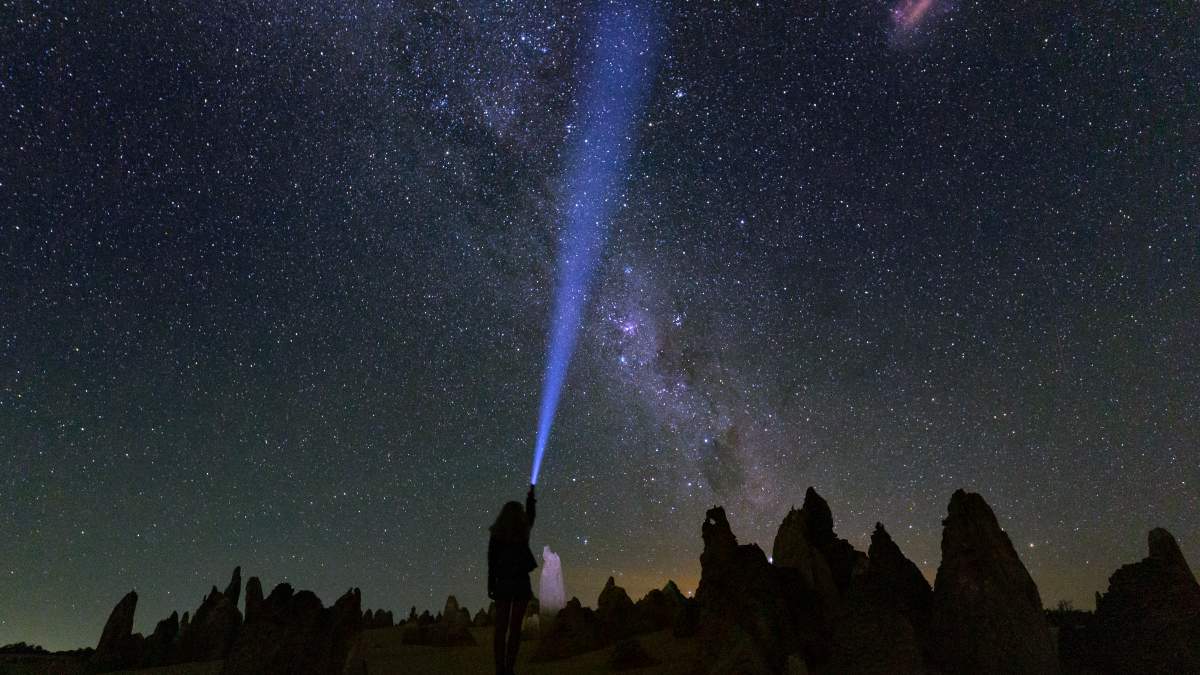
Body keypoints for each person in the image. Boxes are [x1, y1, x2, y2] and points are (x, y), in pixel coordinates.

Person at [487, 485, 538, 675]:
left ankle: (500, 669)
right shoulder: (522, 533)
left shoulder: (497, 535)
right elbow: (531, 516)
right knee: (515, 629)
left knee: (501, 629)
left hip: (503, 584)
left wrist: (491, 585)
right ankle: (509, 669)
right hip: (520, 584)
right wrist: (531, 497)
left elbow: (491, 562)